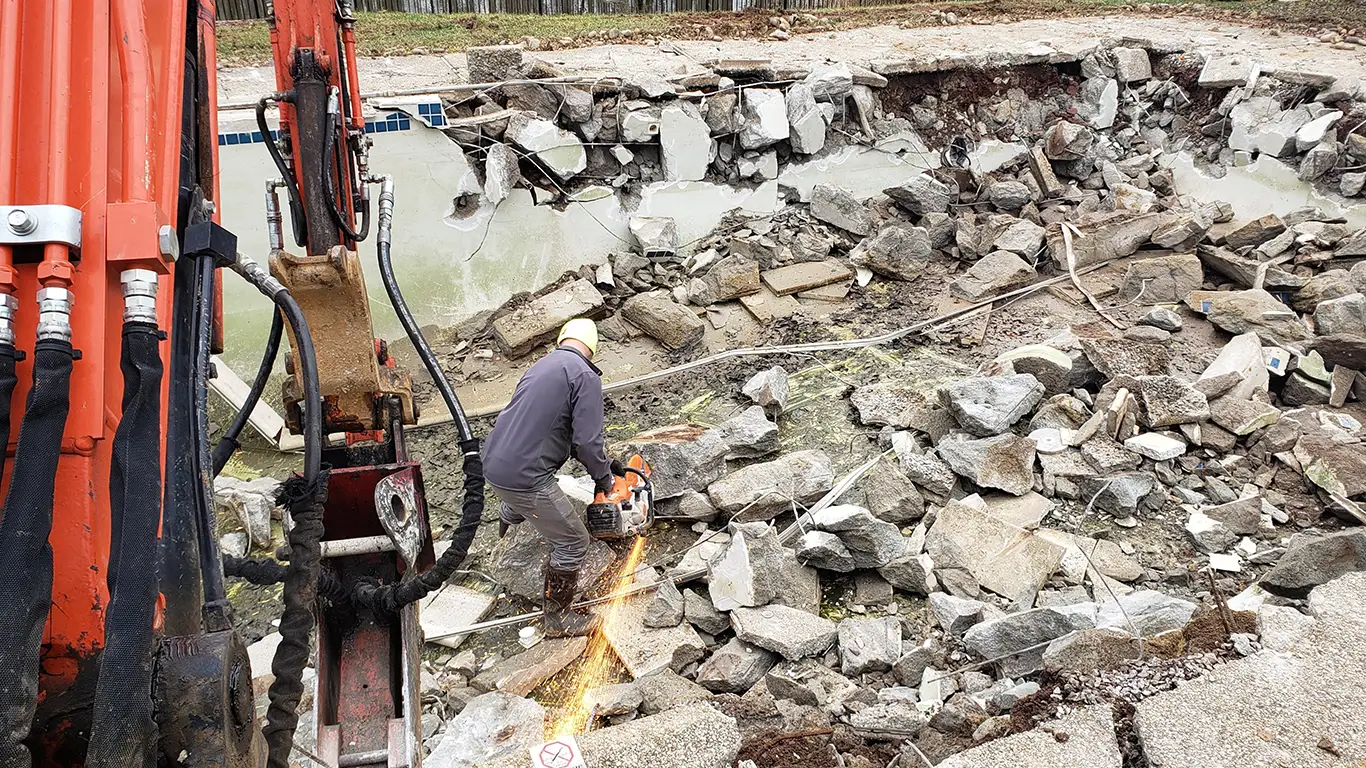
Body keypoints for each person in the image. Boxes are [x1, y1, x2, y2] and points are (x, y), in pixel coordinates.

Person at [482, 318, 624, 637]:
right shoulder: (585, 375)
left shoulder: (542, 366)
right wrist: (604, 481)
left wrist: (609, 463)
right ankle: (557, 619)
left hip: (493, 461)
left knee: (526, 493)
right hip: (524, 476)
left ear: (562, 340)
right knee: (573, 541)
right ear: (592, 349)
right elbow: (587, 442)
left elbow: (561, 434)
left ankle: (511, 512)